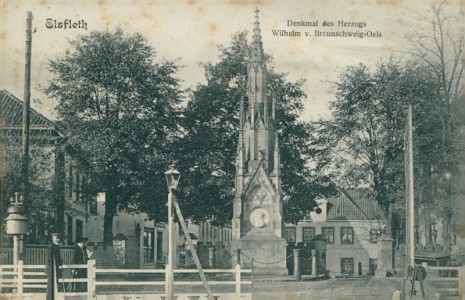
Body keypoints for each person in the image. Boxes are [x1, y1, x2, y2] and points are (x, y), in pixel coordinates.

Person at [45, 233, 63, 300]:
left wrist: (60, 264)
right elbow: (49, 260)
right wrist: (52, 269)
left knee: (56, 285)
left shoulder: (57, 247)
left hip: (56, 269)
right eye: (56, 238)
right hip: (51, 270)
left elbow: (59, 258)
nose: (57, 240)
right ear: (53, 239)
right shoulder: (50, 247)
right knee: (50, 286)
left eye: (58, 238)